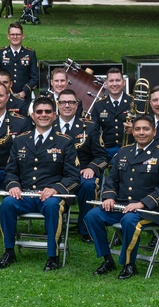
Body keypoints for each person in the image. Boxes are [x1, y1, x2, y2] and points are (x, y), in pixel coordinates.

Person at [84, 115, 159, 279]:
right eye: (138, 129)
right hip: (121, 206)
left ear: (154, 132)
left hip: (149, 210)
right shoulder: (123, 152)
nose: (141, 133)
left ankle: (129, 264)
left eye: (146, 129)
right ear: (132, 131)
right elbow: (112, 179)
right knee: (92, 216)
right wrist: (109, 197)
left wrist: (142, 204)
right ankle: (107, 259)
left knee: (129, 221)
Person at [0, 97, 79, 271]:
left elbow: (73, 176)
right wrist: (13, 186)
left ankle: (52, 256)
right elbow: (10, 171)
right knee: (7, 204)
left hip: (50, 196)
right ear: (32, 115)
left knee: (52, 206)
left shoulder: (65, 141)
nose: (43, 115)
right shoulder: (20, 140)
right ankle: (8, 251)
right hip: (25, 194)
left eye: (48, 111)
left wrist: (55, 189)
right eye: (39, 111)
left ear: (55, 115)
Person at [54, 90, 107, 244]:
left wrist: (92, 167)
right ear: (58, 105)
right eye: (63, 102)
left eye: (71, 102)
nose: (67, 105)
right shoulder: (49, 124)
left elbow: (102, 156)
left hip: (82, 173)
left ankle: (85, 228)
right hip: (56, 174)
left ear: (77, 105)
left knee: (88, 185)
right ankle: (53, 224)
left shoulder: (89, 127)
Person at [89, 68, 133, 158]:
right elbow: (94, 130)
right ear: (106, 83)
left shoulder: (134, 102)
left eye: (117, 80)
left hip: (130, 148)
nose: (114, 84)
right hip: (106, 150)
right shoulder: (99, 105)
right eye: (111, 81)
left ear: (124, 82)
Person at [0, 23, 38, 104]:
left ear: (23, 36)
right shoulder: (0, 53)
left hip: (24, 98)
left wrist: (24, 92)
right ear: (8, 36)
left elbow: (35, 77)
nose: (15, 37)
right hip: (3, 98)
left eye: (18, 34)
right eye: (12, 34)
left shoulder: (30, 54)